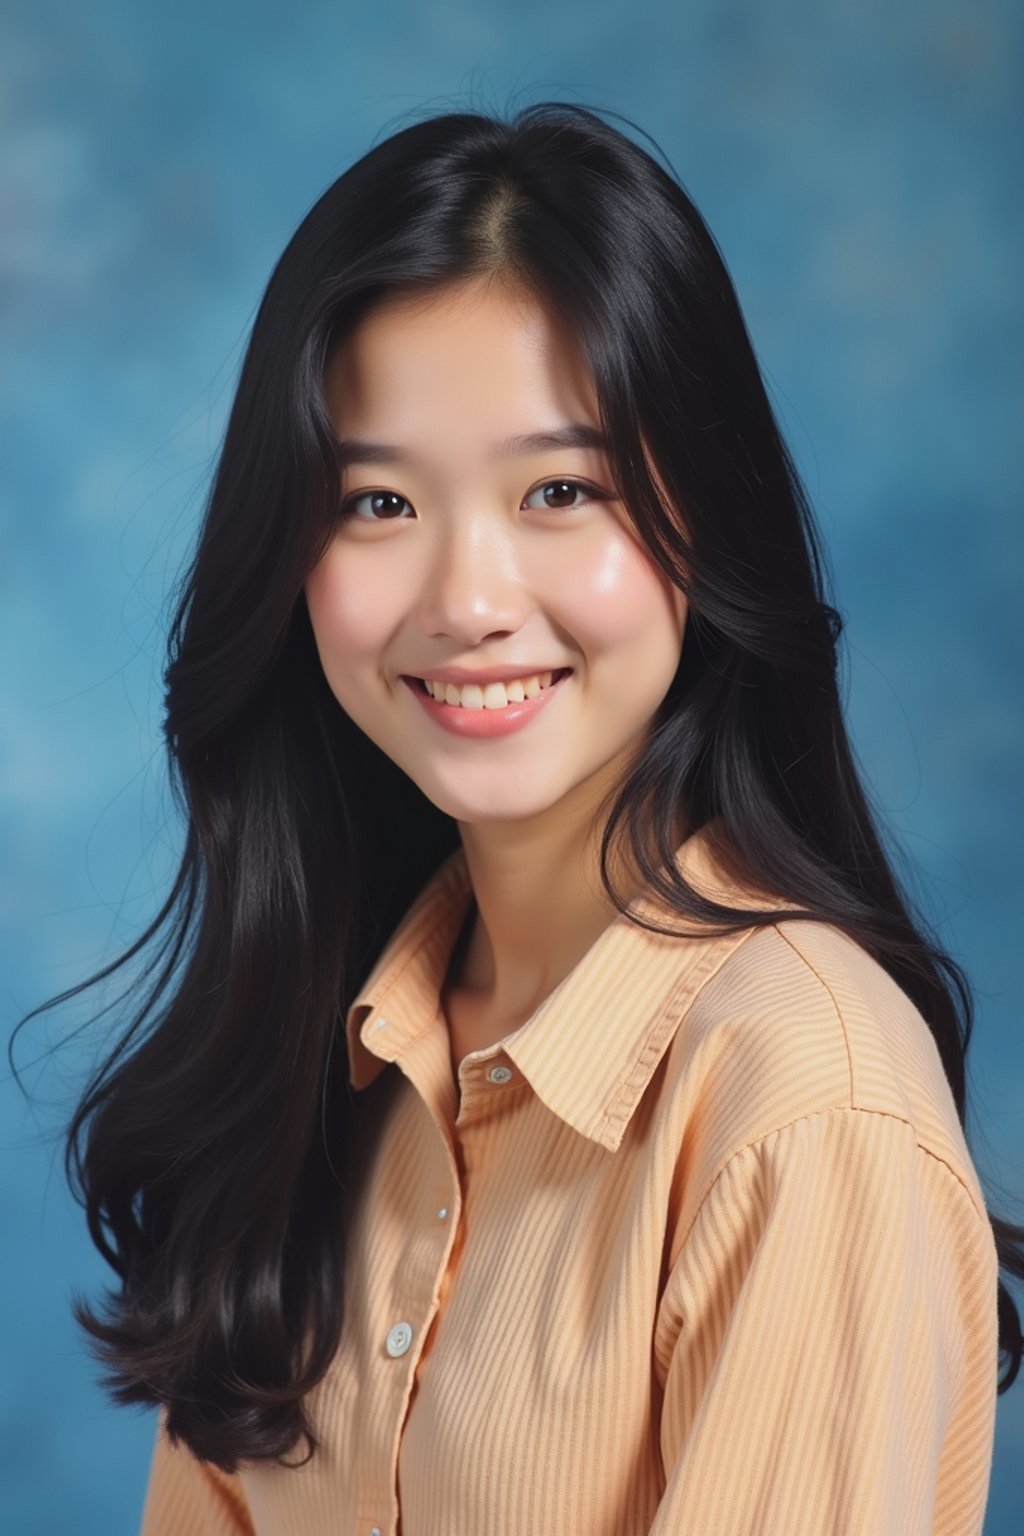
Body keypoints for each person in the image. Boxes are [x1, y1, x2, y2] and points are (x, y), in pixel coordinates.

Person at [21, 101, 1022, 1534]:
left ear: (703, 521)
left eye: (561, 489)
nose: (470, 602)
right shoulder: (325, 1055)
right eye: (375, 502)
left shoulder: (805, 1108)